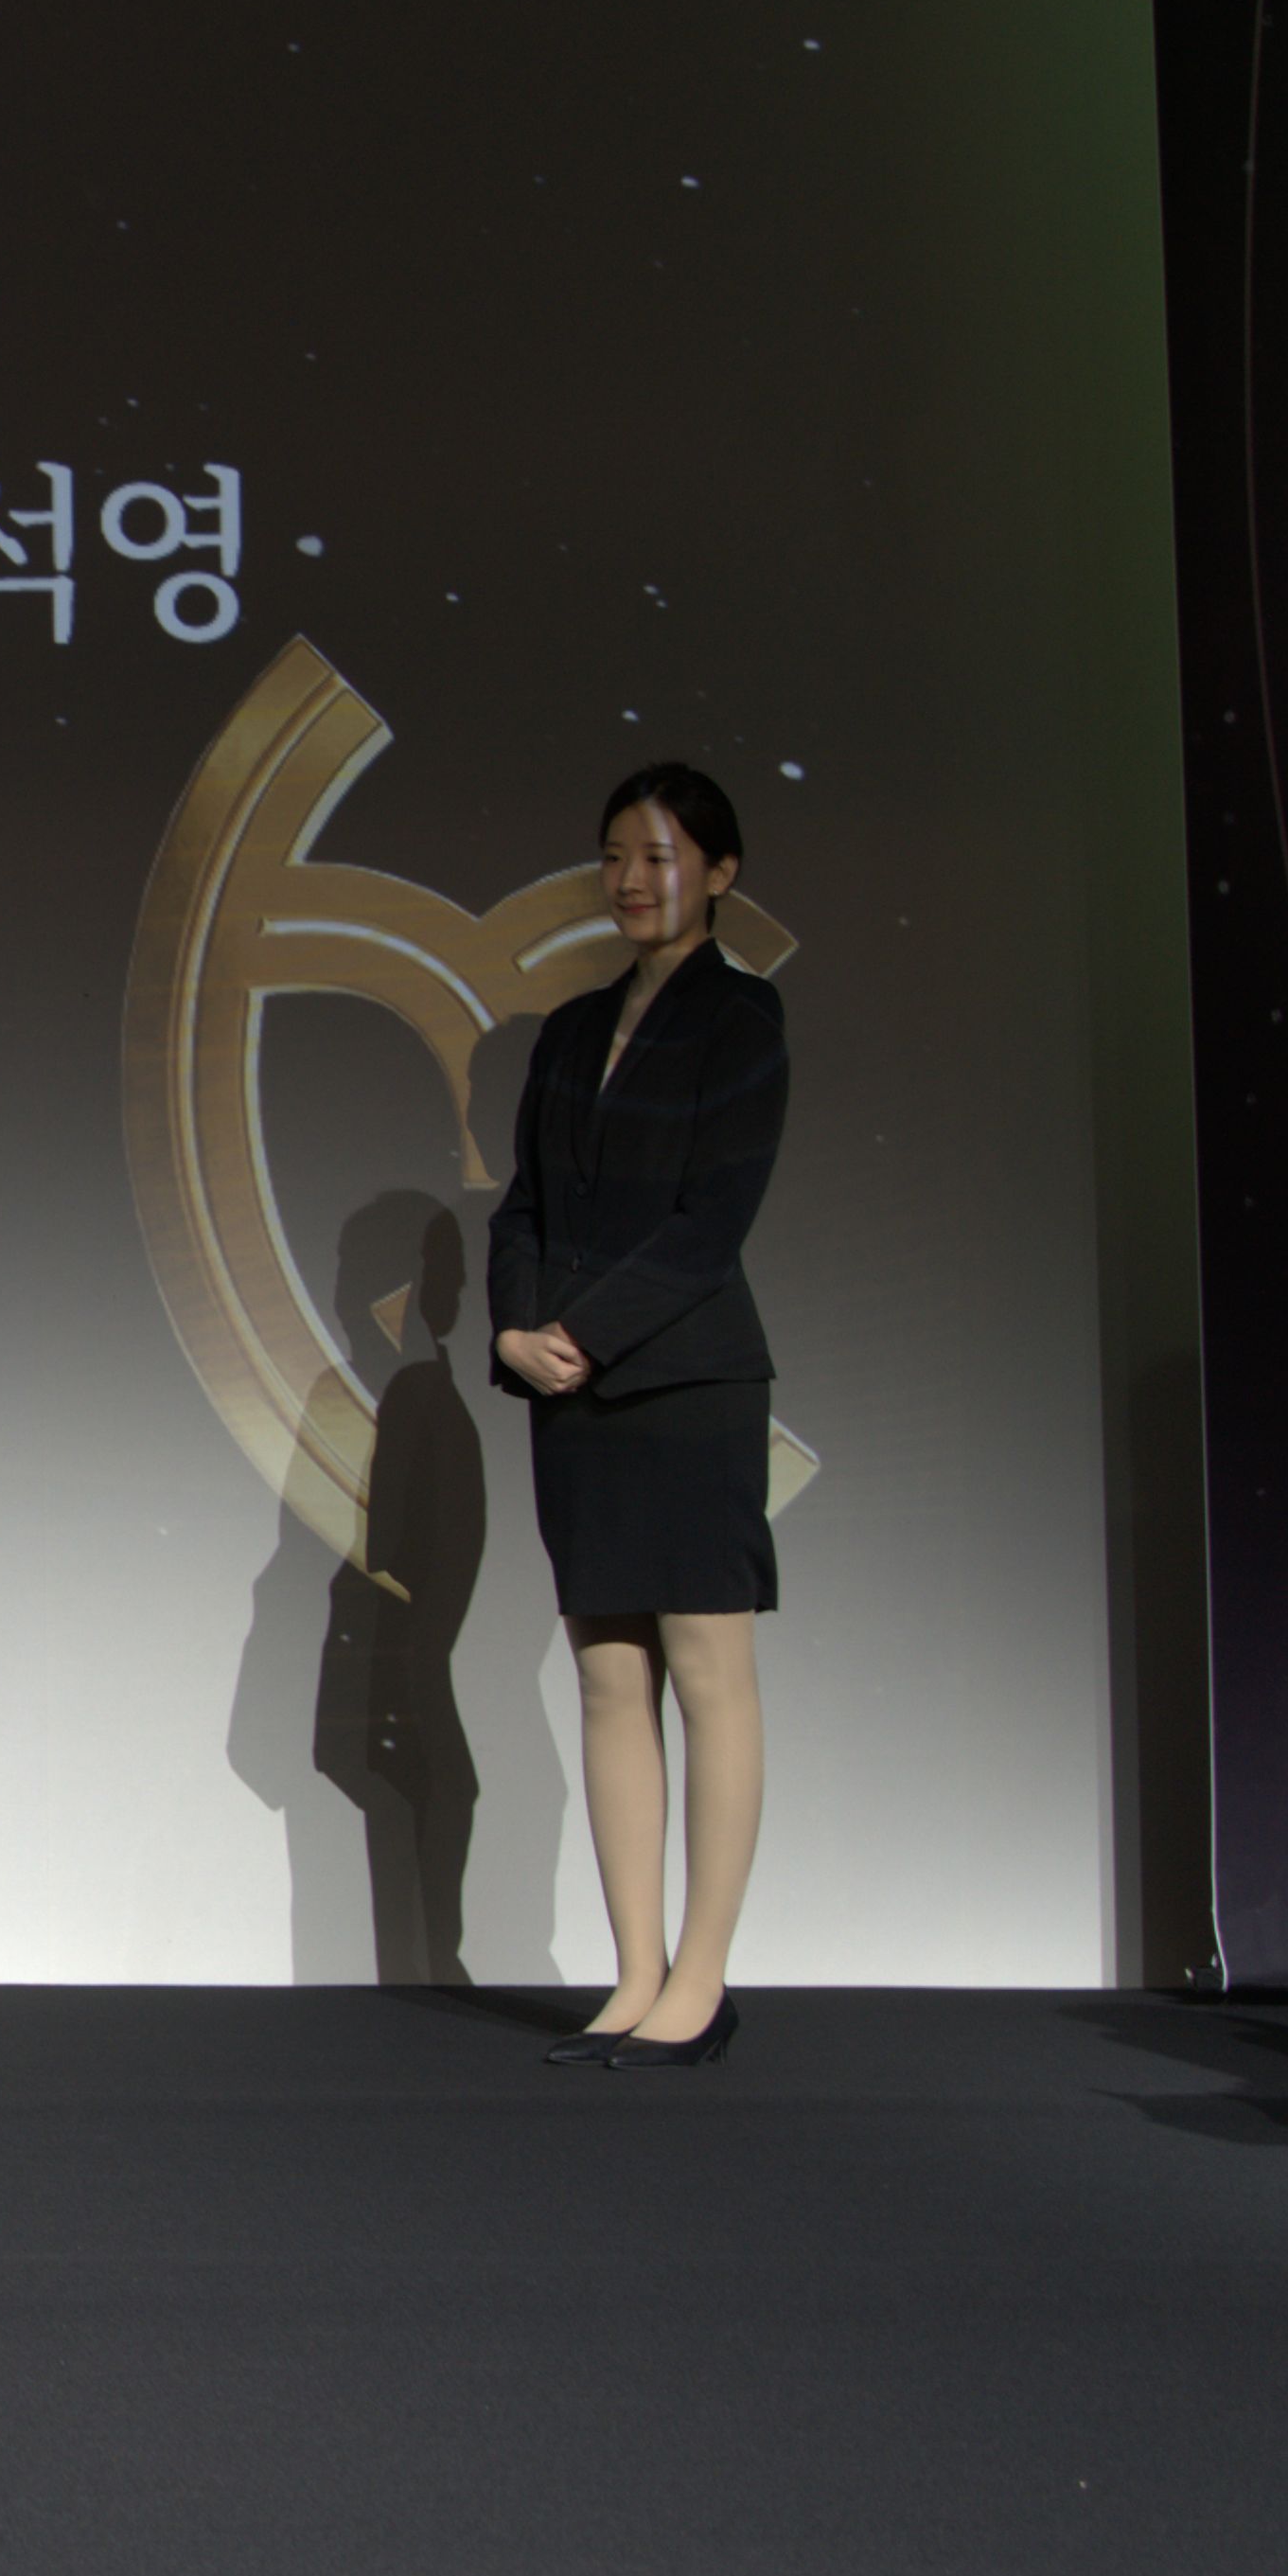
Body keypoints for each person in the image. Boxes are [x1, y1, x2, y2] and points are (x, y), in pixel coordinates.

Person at [486, 761, 787, 2072]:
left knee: (710, 1676)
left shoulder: (743, 1016)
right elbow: (523, 1208)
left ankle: (702, 1982)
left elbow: (711, 1223)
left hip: (688, 1384)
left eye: (659, 857)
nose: (631, 880)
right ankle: (636, 1974)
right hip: (574, 1390)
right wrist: (515, 1328)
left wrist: (585, 1332)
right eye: (614, 855)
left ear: (718, 873)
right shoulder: (566, 1029)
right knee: (611, 1679)